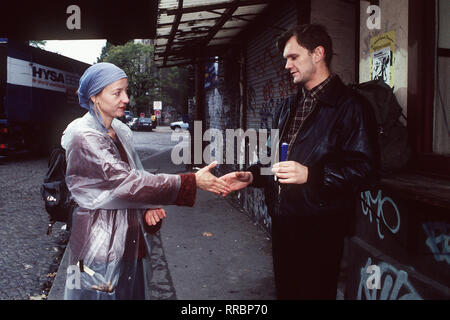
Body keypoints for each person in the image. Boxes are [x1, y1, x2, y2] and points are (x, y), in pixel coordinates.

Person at [220, 24, 379, 299]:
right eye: (285, 59)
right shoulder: (286, 107)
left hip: (321, 228)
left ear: (317, 53)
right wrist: (252, 176)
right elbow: (275, 160)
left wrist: (312, 174)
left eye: (293, 57)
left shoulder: (352, 107)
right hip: (284, 223)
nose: (286, 65)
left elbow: (366, 169)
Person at [61, 62, 230, 299]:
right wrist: (190, 182)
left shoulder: (120, 131)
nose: (126, 99)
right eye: (117, 92)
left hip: (131, 242)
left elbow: (138, 178)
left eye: (126, 91)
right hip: (96, 248)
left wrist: (148, 204)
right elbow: (126, 183)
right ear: (94, 97)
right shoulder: (84, 137)